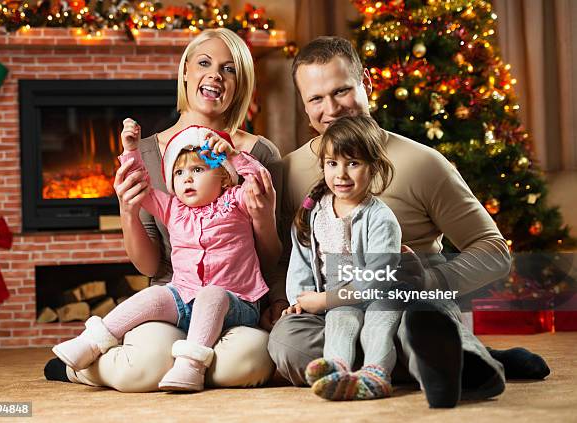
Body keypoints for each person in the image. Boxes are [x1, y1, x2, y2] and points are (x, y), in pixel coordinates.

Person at [268, 36, 549, 408]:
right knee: (287, 342)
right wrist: (286, 299)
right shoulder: (290, 170)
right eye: (316, 99)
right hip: (335, 305)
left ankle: (445, 355)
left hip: (407, 298)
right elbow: (293, 252)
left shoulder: (423, 163)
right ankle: (453, 358)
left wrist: (429, 279)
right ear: (304, 106)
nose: (331, 109)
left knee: (409, 321)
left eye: (341, 91)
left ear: (366, 83)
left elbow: (495, 252)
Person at [44, 28, 285, 392]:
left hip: (235, 303)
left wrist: (263, 219)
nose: (215, 75)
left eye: (229, 68)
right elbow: (149, 266)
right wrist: (127, 210)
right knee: (140, 368)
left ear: (241, 83)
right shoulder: (148, 154)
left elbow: (272, 261)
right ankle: (83, 367)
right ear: (185, 71)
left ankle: (187, 364)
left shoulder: (258, 156)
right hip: (174, 297)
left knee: (245, 363)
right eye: (204, 63)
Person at [53, 124, 272, 392]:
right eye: (179, 173)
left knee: (212, 294)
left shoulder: (237, 200)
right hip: (185, 300)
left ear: (224, 177)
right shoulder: (172, 209)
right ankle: (91, 342)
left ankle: (190, 367)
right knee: (154, 295)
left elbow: (259, 180)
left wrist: (233, 155)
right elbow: (138, 184)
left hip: (236, 302)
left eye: (197, 170)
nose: (186, 179)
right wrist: (131, 150)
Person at [283, 114, 408, 401]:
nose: (341, 174)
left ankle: (376, 374)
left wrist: (325, 300)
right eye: (332, 163)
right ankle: (337, 371)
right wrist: (299, 301)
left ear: (374, 166)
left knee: (378, 323)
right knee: (340, 321)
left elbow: (378, 281)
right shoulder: (313, 213)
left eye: (353, 163)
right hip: (339, 300)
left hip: (380, 295)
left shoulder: (381, 219)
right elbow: (300, 266)